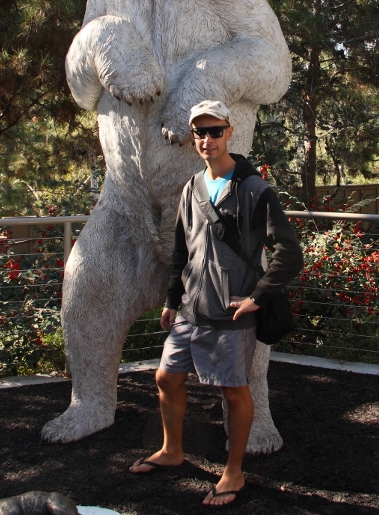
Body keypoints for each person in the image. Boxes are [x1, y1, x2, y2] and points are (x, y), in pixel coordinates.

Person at [129, 100, 303, 506]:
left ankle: (234, 472)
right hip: (190, 307)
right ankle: (172, 451)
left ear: (229, 132)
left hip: (230, 312)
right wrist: (172, 298)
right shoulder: (191, 187)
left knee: (233, 392)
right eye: (200, 132)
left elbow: (288, 254)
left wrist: (257, 298)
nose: (207, 139)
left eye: (215, 131)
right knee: (166, 378)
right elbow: (180, 248)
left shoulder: (256, 190)